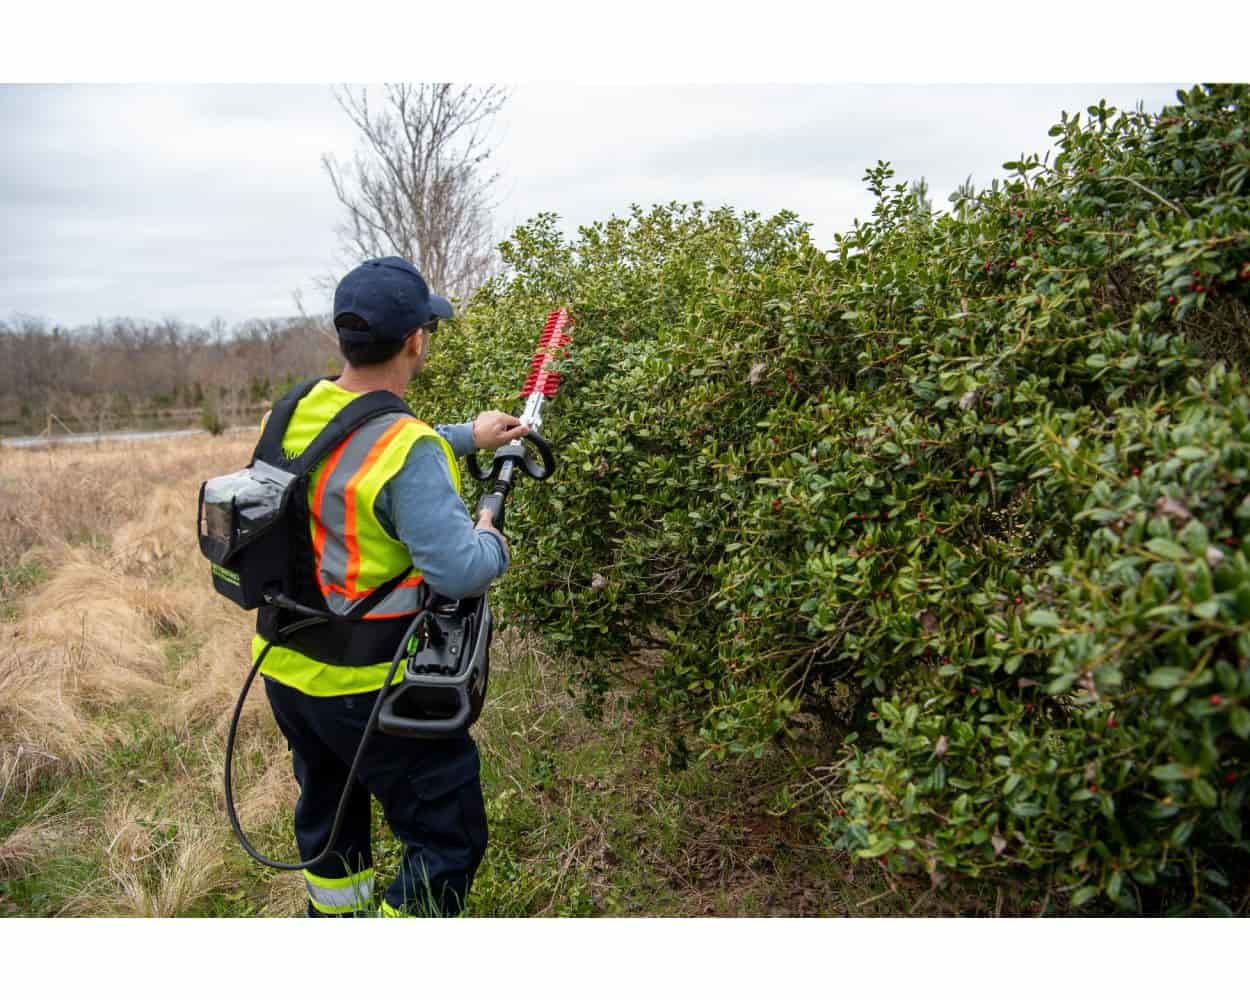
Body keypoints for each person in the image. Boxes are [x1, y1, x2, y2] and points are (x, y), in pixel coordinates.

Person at [257, 256, 528, 917]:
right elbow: (461, 570)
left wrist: (466, 436)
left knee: (331, 823)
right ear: (416, 340)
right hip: (371, 689)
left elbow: (347, 451)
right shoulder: (407, 447)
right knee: (445, 842)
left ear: (344, 339)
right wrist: (490, 531)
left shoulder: (299, 406)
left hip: (291, 673)